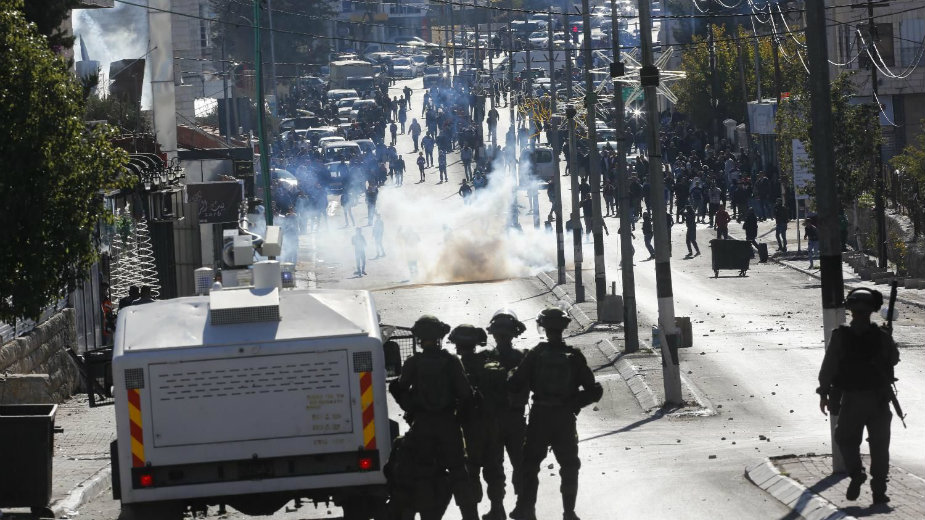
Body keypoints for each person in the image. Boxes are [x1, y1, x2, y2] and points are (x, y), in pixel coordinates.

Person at [508, 307, 602, 520]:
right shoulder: (574, 357)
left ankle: (527, 510)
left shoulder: (536, 354)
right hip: (564, 420)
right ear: (563, 328)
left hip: (539, 417)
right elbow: (595, 390)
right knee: (569, 465)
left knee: (530, 465)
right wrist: (573, 404)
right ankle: (569, 512)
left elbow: (514, 384)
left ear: (543, 327)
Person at [388, 316, 481, 520]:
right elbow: (465, 394)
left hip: (422, 426)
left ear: (420, 338)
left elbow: (399, 389)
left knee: (422, 473)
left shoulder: (414, 363)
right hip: (448, 425)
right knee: (459, 472)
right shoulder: (451, 362)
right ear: (440, 337)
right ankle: (470, 516)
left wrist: (411, 408)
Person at [817, 288, 899, 505]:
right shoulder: (881, 336)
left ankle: (856, 472)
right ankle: (879, 492)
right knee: (880, 447)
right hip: (880, 400)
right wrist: (888, 337)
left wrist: (824, 393)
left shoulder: (841, 336)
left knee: (845, 438)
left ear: (850, 309)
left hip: (853, 399)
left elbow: (829, 368)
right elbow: (893, 360)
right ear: (873, 309)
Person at [447, 325, 506, 518]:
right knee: (494, 468)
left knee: (469, 470)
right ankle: (497, 508)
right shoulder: (489, 361)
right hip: (492, 423)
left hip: (468, 426)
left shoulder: (455, 366)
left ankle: (472, 509)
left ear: (457, 345)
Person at [485, 310, 529, 518]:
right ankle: (523, 508)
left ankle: (497, 509)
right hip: (516, 420)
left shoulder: (485, 359)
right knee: (521, 466)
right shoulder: (522, 357)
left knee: (494, 468)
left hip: (492, 421)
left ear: (494, 334)